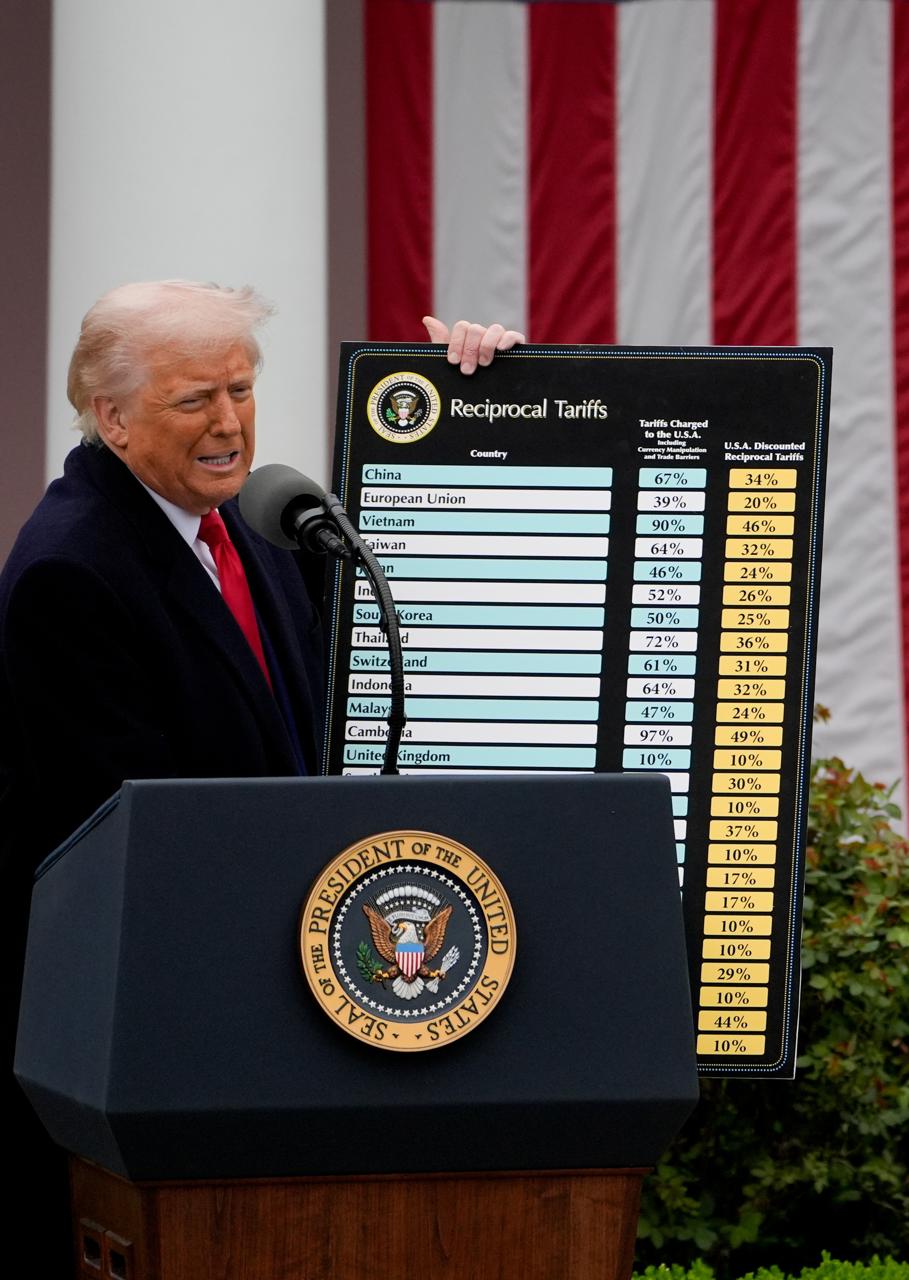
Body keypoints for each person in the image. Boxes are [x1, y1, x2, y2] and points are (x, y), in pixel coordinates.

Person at [0, 279, 523, 1271]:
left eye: (242, 389)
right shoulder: (73, 567)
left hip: (286, 1010)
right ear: (112, 417)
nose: (231, 422)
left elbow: (417, 568)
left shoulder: (260, 521)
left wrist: (478, 396)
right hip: (159, 1049)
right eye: (195, 398)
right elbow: (135, 845)